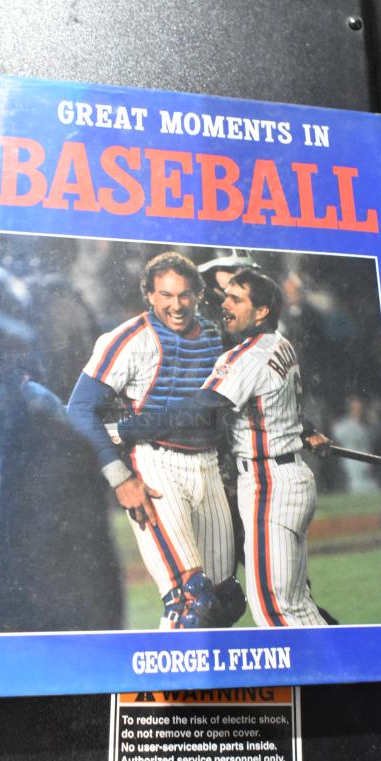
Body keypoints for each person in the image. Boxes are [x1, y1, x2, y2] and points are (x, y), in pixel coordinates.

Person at [117, 268, 330, 628]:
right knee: (296, 604)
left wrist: (126, 429)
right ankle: (333, 677)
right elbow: (275, 403)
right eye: (225, 296)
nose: (224, 304)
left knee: (276, 610)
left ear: (261, 312)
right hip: (290, 475)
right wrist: (305, 430)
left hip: (268, 482)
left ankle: (322, 681)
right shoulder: (281, 344)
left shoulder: (246, 358)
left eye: (236, 298)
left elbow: (198, 409)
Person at [66, 252, 243, 629]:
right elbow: (80, 409)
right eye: (165, 295)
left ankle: (210, 689)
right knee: (192, 601)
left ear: (197, 294)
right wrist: (121, 479)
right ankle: (166, 689)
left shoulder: (215, 336)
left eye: (183, 295)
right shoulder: (129, 338)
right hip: (155, 467)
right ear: (149, 294)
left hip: (207, 466)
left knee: (225, 601)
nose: (175, 305)